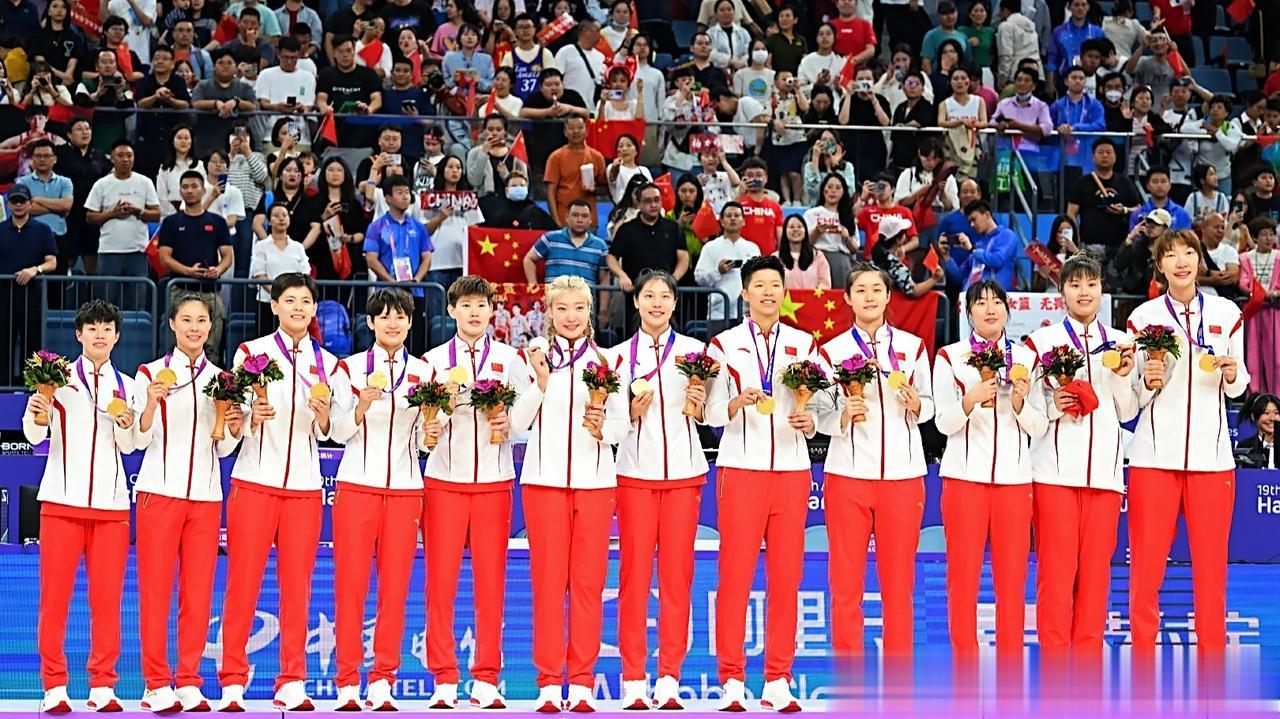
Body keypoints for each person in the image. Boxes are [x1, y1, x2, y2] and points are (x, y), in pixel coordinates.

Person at [217, 273, 350, 711]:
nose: (298, 307)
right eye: (289, 300)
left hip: (306, 490)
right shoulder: (250, 354)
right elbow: (229, 415)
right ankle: (232, 680)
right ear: (273, 305)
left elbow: (333, 433)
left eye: (305, 301)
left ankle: (292, 679)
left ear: (314, 309)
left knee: (298, 588)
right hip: (255, 482)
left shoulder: (329, 365)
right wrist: (251, 414)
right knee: (242, 584)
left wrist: (325, 416)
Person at [703, 255, 820, 712]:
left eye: (776, 284)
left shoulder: (804, 343)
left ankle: (778, 678)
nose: (769, 292)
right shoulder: (722, 345)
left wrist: (810, 423)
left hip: (792, 473)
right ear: (745, 293)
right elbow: (709, 414)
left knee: (786, 579)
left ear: (783, 292)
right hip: (741, 469)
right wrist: (733, 403)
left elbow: (819, 414)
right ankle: (731, 679)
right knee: (735, 578)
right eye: (760, 285)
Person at [509, 274, 629, 713]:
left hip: (596, 484)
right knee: (548, 584)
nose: (571, 316)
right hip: (542, 484)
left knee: (587, 585)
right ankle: (546, 682)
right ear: (548, 312)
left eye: (579, 307)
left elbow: (621, 427)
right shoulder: (532, 358)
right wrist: (539, 384)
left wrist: (604, 428)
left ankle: (580, 681)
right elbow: (516, 425)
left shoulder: (608, 361)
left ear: (590, 312)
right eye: (562, 308)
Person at [1125, 229, 1249, 654]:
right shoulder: (1143, 319)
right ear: (1159, 265)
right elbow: (1133, 397)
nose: (1181, 261)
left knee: (1212, 569)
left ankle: (1212, 660)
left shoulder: (1226, 312)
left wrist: (1234, 375)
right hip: (1154, 459)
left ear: (1200, 261)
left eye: (1189, 253)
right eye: (1171, 255)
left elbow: (1240, 386)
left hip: (1212, 461)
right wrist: (1147, 379)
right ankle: (1142, 656)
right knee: (1146, 567)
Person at [602, 270, 709, 710]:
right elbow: (608, 428)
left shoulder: (697, 353)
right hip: (634, 476)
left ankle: (669, 676)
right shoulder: (615, 358)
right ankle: (633, 678)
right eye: (650, 296)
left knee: (677, 580)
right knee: (633, 579)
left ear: (674, 303)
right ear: (637, 302)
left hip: (684, 475)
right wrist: (627, 411)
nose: (658, 303)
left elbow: (709, 415)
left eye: (665, 296)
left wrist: (702, 405)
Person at [21, 300, 134, 715]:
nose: (100, 334)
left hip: (110, 509)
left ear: (117, 336)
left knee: (106, 602)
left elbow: (132, 446)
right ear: (79, 334)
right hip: (62, 505)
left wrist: (127, 426)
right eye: (92, 327)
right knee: (55, 600)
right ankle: (54, 686)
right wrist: (39, 412)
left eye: (107, 327)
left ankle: (103, 684)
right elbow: (33, 435)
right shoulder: (57, 378)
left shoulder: (129, 386)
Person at [421, 275, 528, 710]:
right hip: (444, 482)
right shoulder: (430, 362)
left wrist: (511, 425)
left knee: (491, 585)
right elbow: (420, 427)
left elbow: (526, 417)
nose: (473, 313)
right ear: (452, 311)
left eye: (481, 306)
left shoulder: (510, 359)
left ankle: (486, 678)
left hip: (494, 484)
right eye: (465, 306)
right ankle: (444, 679)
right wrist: (437, 417)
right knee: (439, 585)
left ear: (491, 311)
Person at [813, 263, 931, 656]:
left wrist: (917, 403)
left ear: (887, 296)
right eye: (860, 290)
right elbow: (819, 416)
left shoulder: (913, 347)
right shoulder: (830, 352)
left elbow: (929, 406)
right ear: (847, 298)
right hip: (849, 473)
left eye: (876, 289)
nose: (869, 296)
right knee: (846, 582)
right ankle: (850, 671)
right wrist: (843, 414)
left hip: (903, 474)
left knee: (899, 583)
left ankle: (899, 674)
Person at [132, 295, 242, 713]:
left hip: (206, 497)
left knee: (197, 595)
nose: (195, 328)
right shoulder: (149, 373)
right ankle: (155, 683)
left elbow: (227, 446)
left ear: (211, 326)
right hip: (159, 492)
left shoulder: (223, 378)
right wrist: (149, 406)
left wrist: (234, 426)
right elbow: (138, 441)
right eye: (187, 320)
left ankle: (190, 680)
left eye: (202, 320)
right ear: (172, 325)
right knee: (156, 592)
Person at [1023, 255, 1138, 652]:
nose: (1083, 291)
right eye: (1075, 284)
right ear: (1062, 293)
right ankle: (1054, 668)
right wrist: (1056, 403)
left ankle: (1087, 668)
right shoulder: (1041, 344)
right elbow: (1033, 420)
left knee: (1095, 576)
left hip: (1105, 478)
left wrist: (1123, 379)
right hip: (1054, 476)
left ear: (1102, 289)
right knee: (1056, 575)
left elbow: (1127, 412)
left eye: (1091, 284)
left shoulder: (1122, 344)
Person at [325, 289, 431, 712]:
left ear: (409, 323)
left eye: (401, 317)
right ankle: (348, 681)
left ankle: (384, 678)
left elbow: (425, 439)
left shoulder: (424, 373)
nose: (393, 323)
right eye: (384, 317)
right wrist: (359, 407)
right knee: (350, 589)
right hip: (356, 486)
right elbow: (336, 431)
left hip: (406, 490)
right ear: (370, 323)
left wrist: (431, 429)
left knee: (394, 590)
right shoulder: (347, 369)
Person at [933, 280, 1047, 652]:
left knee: (1012, 581)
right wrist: (969, 401)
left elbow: (1040, 425)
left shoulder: (1027, 359)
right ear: (968, 313)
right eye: (980, 303)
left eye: (997, 301)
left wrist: (1019, 404)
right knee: (962, 579)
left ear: (1008, 311)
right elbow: (942, 423)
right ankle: (963, 666)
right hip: (965, 481)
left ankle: (1010, 668)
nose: (990, 308)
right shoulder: (950, 357)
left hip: (1015, 483)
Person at [156, 171, 234, 354]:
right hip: (178, 291)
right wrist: (188, 271)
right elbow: (164, 257)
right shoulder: (170, 222)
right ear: (180, 192)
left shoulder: (217, 222)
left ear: (203, 190)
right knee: (174, 347)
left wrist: (218, 270)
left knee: (211, 347)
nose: (189, 191)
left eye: (194, 186)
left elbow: (227, 256)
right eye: (185, 187)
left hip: (210, 292)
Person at [364, 174, 434, 352]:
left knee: (416, 343)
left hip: (414, 293)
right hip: (386, 293)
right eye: (399, 192)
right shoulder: (376, 227)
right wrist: (391, 281)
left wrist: (416, 280)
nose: (405, 196)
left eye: (407, 192)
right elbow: (371, 259)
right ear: (387, 198)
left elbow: (427, 257)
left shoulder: (419, 227)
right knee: (385, 342)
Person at [0, 183, 58, 384]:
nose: (18, 205)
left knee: (32, 344)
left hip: (32, 295)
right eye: (14, 201)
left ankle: (31, 388)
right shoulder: (0, 230)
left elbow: (52, 262)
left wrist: (35, 269)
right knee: (3, 344)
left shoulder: (42, 230)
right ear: (8, 204)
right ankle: (3, 387)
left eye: (22, 201)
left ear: (30, 204)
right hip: (3, 296)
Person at [84, 139, 161, 283]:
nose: (125, 159)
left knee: (136, 300)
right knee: (107, 301)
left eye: (129, 155)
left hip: (137, 251)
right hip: (108, 251)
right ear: (112, 159)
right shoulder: (101, 184)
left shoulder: (145, 182)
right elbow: (89, 217)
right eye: (120, 155)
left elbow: (156, 215)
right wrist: (112, 213)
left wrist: (137, 211)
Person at [1066, 138, 1142, 258]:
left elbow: (1138, 209)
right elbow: (1071, 214)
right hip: (1089, 245)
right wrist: (1077, 240)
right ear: (1093, 157)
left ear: (1115, 157)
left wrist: (1124, 210)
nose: (1105, 155)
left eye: (1109, 152)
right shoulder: (1082, 182)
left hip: (1119, 246)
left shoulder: (1125, 182)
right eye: (1100, 152)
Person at [607, 183, 688, 291]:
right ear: (638, 204)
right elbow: (611, 257)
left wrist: (674, 279)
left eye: (657, 200)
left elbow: (683, 258)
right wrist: (622, 275)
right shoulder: (627, 229)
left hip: (666, 292)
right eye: (647, 201)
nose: (653, 205)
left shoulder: (673, 228)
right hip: (636, 292)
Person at [694, 203, 762, 330]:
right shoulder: (710, 247)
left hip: (746, 312)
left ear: (743, 221)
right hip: (718, 313)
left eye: (737, 215)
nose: (732, 219)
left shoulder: (752, 248)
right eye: (728, 216)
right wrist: (718, 272)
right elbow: (699, 278)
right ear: (721, 221)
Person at [56, 119, 108, 275]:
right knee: (67, 258)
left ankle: (92, 297)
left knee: (92, 258)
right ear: (69, 134)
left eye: (87, 128)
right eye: (79, 129)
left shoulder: (98, 154)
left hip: (92, 215)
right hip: (68, 215)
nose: (85, 132)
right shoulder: (60, 154)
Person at [249, 203, 311, 332]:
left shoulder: (298, 247)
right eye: (276, 216)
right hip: (267, 303)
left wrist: (289, 297)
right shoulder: (261, 246)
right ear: (269, 221)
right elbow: (259, 274)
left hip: (293, 306)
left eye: (284, 215)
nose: (281, 219)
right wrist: (279, 295)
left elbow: (305, 273)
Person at [316, 35, 384, 149]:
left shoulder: (369, 74)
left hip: (362, 133)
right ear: (334, 54)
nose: (345, 55)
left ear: (354, 51)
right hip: (334, 132)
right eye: (340, 51)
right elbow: (321, 98)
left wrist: (369, 109)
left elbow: (377, 99)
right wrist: (324, 107)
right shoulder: (326, 74)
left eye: (348, 50)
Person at [523, 198, 609, 284]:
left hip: (585, 297)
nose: (580, 220)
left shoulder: (600, 246)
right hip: (554, 296)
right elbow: (529, 259)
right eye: (575, 215)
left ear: (590, 220)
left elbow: (604, 280)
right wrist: (534, 288)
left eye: (584, 216)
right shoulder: (550, 238)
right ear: (567, 217)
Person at [1240, 217, 1280, 393]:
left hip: (1275, 311)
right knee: (1253, 356)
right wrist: (1254, 293)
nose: (1269, 238)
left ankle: (1277, 397)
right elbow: (1243, 281)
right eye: (1264, 234)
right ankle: (1255, 397)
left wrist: (1275, 293)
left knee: (1277, 357)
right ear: (1255, 238)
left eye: (1272, 234)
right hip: (1253, 311)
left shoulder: (1279, 257)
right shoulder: (1244, 258)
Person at [544, 115, 606, 226]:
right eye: (571, 128)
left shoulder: (597, 156)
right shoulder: (556, 157)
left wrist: (593, 189)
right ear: (565, 132)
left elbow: (605, 189)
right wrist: (556, 221)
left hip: (589, 220)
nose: (576, 131)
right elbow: (550, 191)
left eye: (580, 127)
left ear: (586, 131)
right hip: (564, 219)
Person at [14, 138, 73, 245]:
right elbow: (23, 209)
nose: (42, 159)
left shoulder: (65, 182)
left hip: (59, 238)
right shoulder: (22, 182)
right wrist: (57, 209)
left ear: (55, 159)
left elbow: (66, 206)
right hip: (30, 238)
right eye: (37, 156)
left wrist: (37, 199)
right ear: (32, 158)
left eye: (46, 156)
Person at [803, 173, 857, 287]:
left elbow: (854, 248)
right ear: (823, 190)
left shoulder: (847, 217)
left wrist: (846, 238)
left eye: (838, 188)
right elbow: (804, 243)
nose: (833, 191)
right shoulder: (811, 214)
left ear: (843, 192)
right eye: (830, 187)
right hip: (816, 258)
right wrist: (816, 232)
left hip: (841, 261)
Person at [1047, 0, 1104, 90]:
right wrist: (1050, 84)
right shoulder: (1058, 32)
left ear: (1088, 7)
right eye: (1076, 5)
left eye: (1083, 4)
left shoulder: (1097, 32)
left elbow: (1103, 57)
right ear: (1069, 7)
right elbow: (1052, 59)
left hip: (1090, 80)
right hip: (1065, 80)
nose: (1080, 8)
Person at [479, 169, 556, 229]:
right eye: (514, 186)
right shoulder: (497, 210)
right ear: (506, 190)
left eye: (522, 186)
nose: (518, 188)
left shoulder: (535, 211)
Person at [156, 125, 204, 217]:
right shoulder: (164, 168)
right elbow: (161, 197)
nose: (183, 141)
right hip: (169, 214)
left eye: (186, 138)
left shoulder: (199, 166)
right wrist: (176, 216)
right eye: (179, 138)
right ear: (173, 142)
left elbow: (203, 192)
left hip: (195, 213)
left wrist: (190, 213)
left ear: (191, 142)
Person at [996, 0, 1041, 88]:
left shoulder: (1005, 26)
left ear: (1005, 10)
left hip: (1016, 77)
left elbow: (1005, 56)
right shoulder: (1032, 26)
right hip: (1037, 74)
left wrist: (1002, 80)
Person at [1198, 211, 1239, 299]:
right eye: (1216, 227)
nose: (1220, 230)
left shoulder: (1229, 250)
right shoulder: (1193, 250)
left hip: (1223, 302)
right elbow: (1189, 279)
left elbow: (1233, 277)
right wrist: (1211, 280)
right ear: (1203, 228)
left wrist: (1206, 273)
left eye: (1222, 227)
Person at [1235, 393, 1278, 469]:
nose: (1272, 418)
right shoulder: (1245, 448)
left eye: (1276, 413)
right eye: (1266, 413)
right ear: (1253, 416)